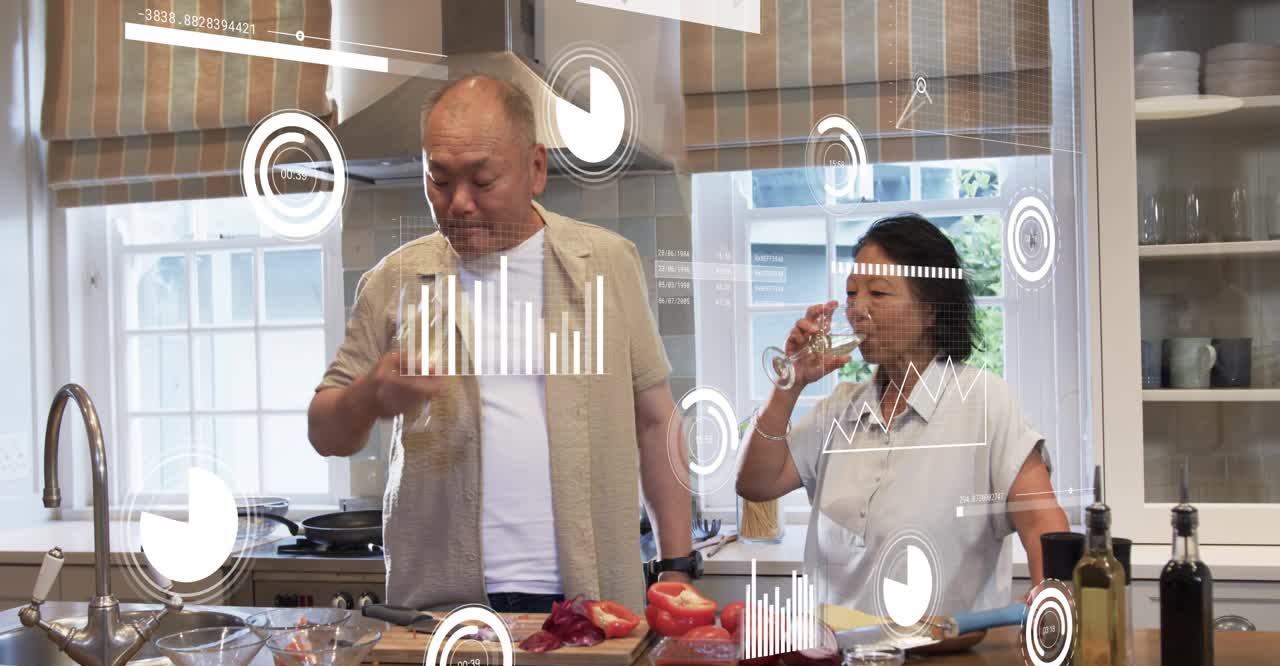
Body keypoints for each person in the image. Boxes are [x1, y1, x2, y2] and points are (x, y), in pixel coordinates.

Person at [308, 75, 693, 614]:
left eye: (482, 181)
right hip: (443, 609)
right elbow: (325, 432)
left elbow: (656, 420)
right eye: (438, 180)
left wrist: (679, 564)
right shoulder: (394, 282)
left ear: (536, 168)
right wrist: (368, 397)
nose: (458, 204)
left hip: (593, 602)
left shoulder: (607, 263)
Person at [737, 213, 1068, 615]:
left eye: (877, 293)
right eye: (852, 293)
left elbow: (1042, 524)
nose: (857, 309)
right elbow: (756, 483)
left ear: (931, 311)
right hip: (833, 664)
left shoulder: (984, 402)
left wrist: (1054, 608)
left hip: (941, 665)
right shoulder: (842, 408)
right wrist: (789, 385)